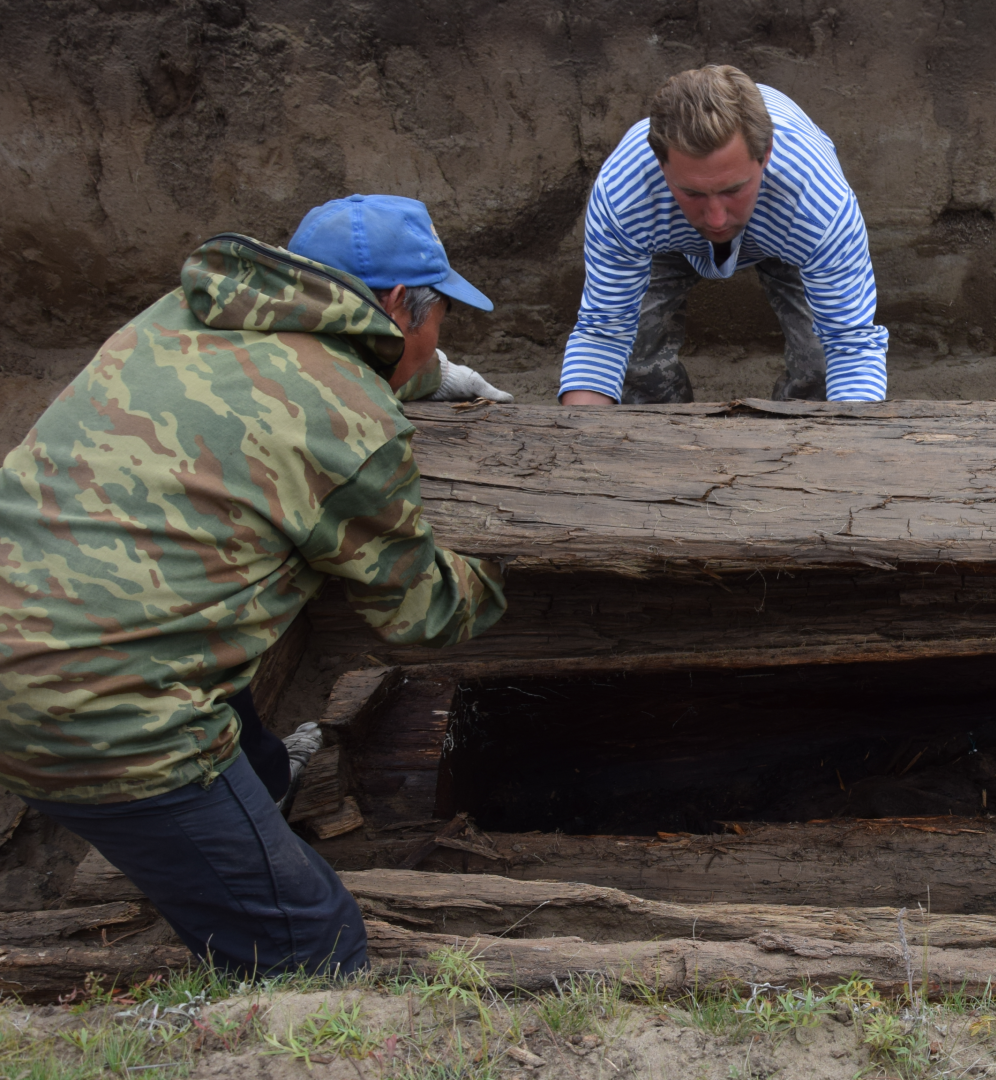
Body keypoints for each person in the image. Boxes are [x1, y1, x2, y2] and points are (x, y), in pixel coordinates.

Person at [0, 194, 513, 977]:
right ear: (403, 305)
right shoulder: (350, 426)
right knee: (315, 947)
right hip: (101, 717)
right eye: (440, 316)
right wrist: (506, 567)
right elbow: (425, 615)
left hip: (34, 635)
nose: (440, 333)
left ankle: (260, 790)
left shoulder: (174, 319)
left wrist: (428, 373)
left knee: (245, 724)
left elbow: (296, 377)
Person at [558, 64, 888, 406]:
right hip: (665, 231)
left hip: (782, 226)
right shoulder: (624, 191)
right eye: (693, 193)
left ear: (766, 156)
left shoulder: (816, 200)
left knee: (819, 364)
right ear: (661, 166)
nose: (716, 220)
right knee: (634, 365)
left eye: (734, 190)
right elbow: (603, 334)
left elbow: (851, 346)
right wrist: (582, 441)